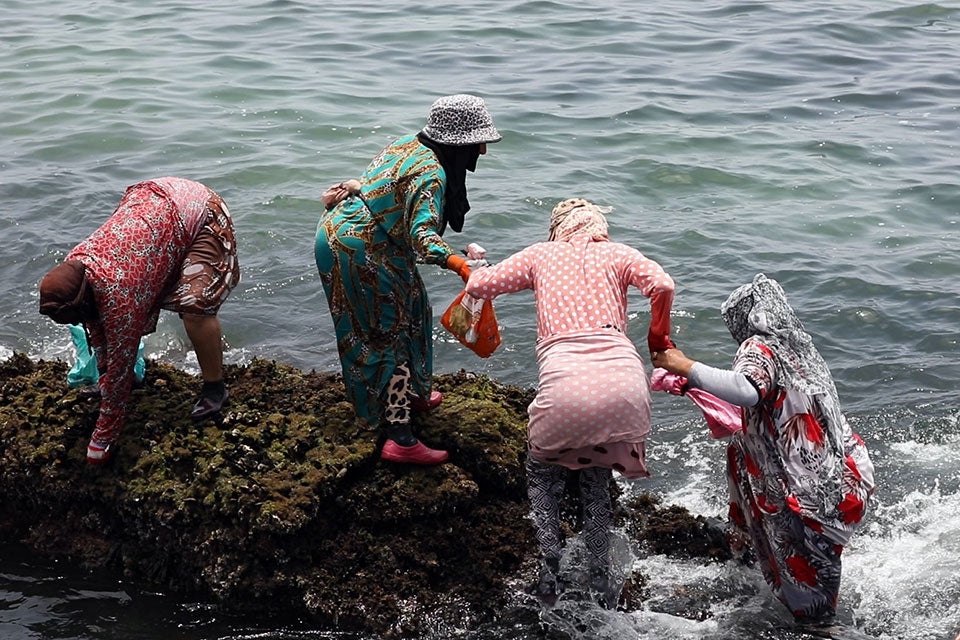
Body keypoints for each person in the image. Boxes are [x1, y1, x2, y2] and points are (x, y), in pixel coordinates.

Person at [464, 198, 676, 606]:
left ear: (557, 227)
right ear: (596, 226)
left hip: (566, 390)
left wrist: (475, 263)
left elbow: (478, 288)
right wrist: (657, 338)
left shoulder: (540, 255)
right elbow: (663, 285)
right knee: (597, 476)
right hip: (626, 387)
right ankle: (599, 577)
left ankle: (551, 568)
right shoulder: (619, 254)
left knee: (543, 473)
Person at [651, 273, 875, 625]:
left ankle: (819, 627)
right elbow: (771, 404)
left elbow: (748, 389)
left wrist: (684, 367)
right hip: (840, 475)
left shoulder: (759, 347)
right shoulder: (799, 348)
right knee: (819, 567)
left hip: (802, 489)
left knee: (811, 601)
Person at [315, 94, 501, 466]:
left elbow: (380, 191)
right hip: (362, 249)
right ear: (457, 143)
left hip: (349, 233)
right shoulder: (432, 174)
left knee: (416, 306)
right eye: (477, 142)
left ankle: (414, 391)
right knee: (389, 332)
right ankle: (399, 435)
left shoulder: (407, 143)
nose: (482, 151)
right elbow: (422, 238)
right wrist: (462, 267)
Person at [38, 177, 240, 464]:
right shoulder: (76, 265)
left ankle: (215, 388)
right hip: (154, 205)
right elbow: (94, 323)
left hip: (200, 211)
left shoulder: (119, 292)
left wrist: (101, 440)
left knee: (195, 306)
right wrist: (107, 378)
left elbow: (122, 356)